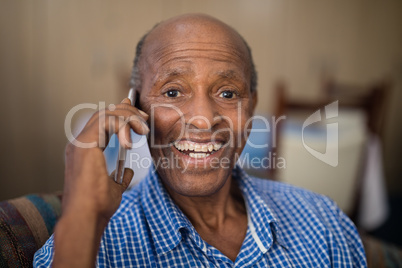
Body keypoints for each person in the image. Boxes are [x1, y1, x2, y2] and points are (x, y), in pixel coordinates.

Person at [34, 14, 367, 267]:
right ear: (134, 108)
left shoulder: (323, 221)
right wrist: (82, 214)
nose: (204, 119)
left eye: (227, 92)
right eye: (173, 91)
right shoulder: (90, 245)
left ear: (250, 107)